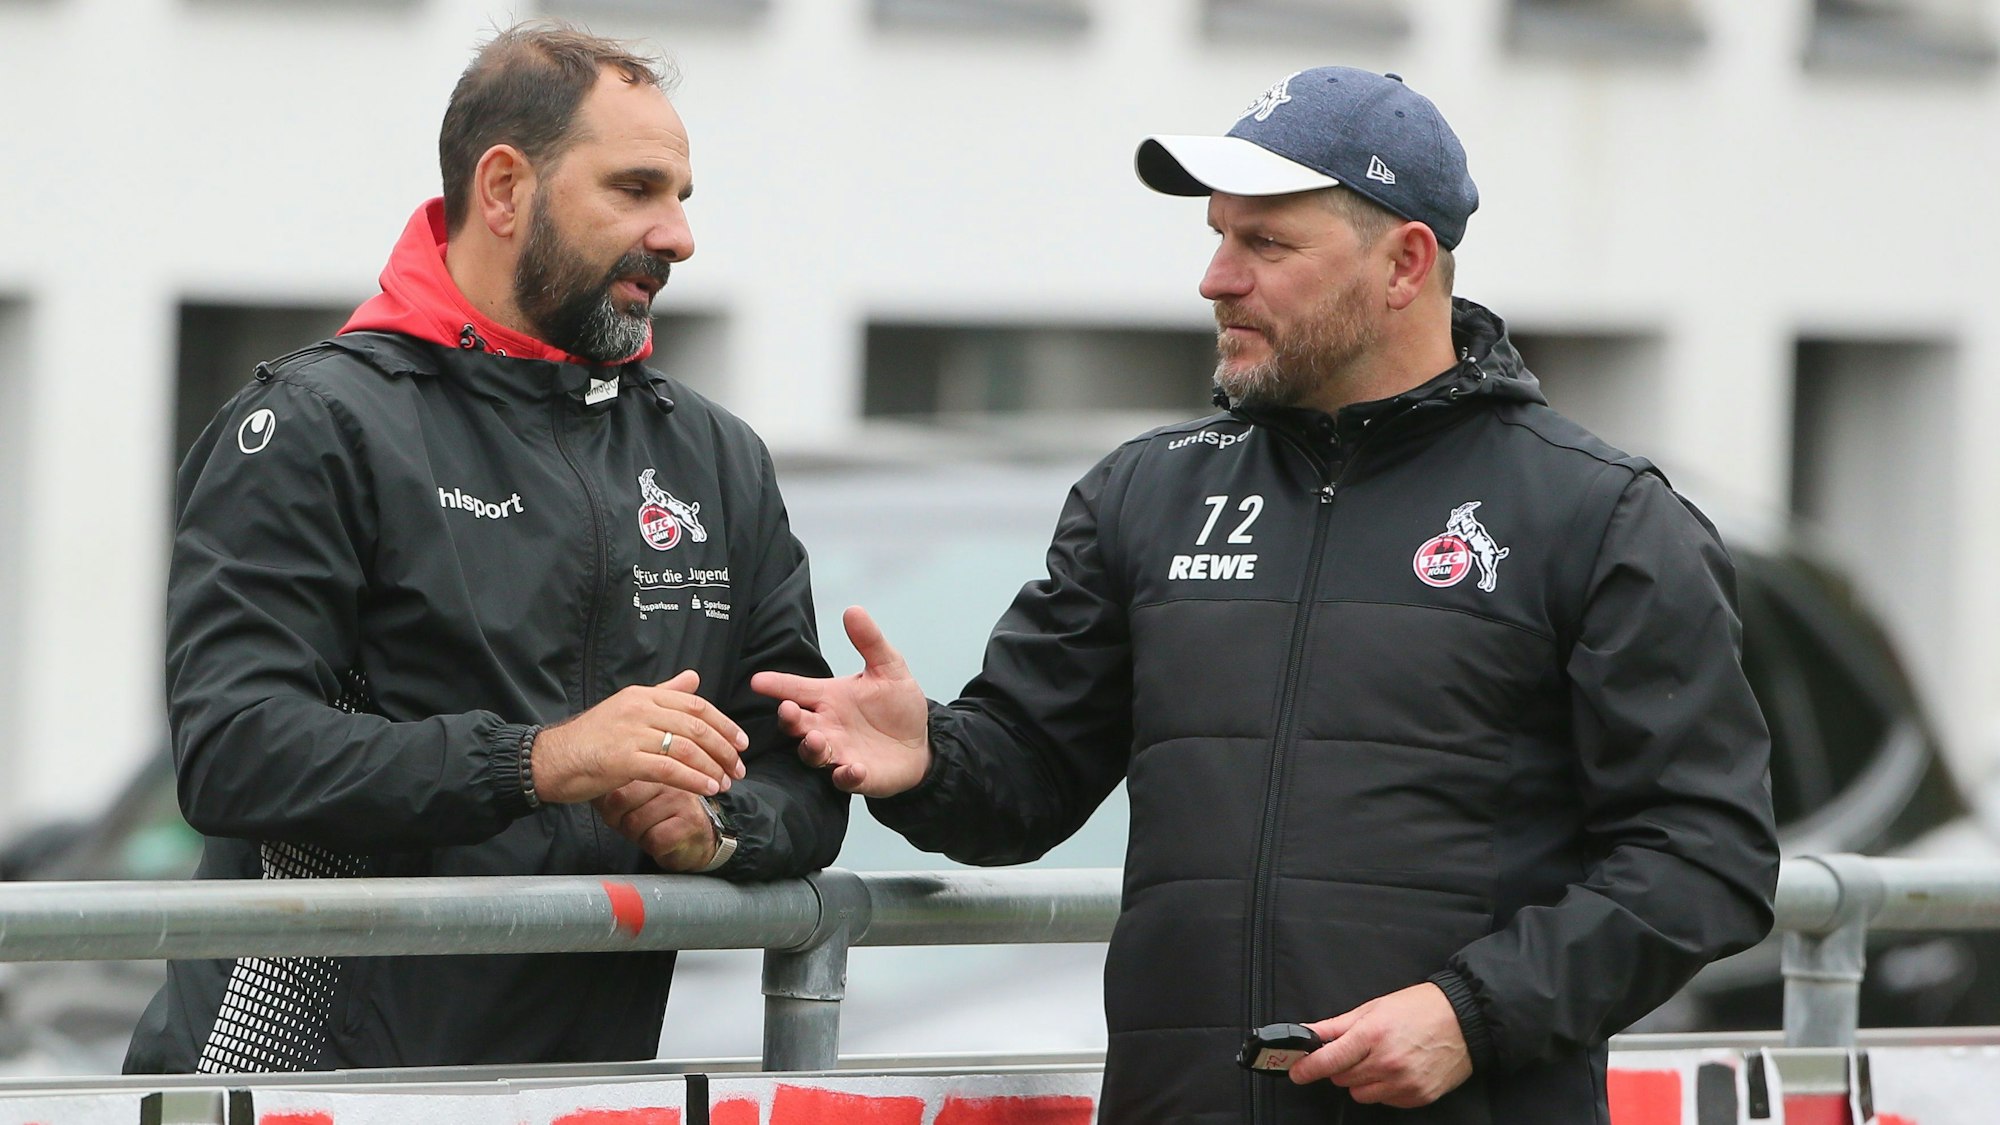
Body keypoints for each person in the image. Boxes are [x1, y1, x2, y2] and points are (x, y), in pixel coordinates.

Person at [753, 68, 1779, 1123]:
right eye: (1215, 236)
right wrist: (928, 757)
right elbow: (1029, 776)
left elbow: (1704, 855)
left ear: (1403, 264)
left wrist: (1472, 1013)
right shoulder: (1145, 492)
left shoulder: (1597, 513)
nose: (1214, 279)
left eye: (1265, 245)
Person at [126, 22, 847, 1074]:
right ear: (503, 189)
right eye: (636, 189)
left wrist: (719, 827)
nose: (679, 235)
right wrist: (539, 761)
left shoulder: (714, 456)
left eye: (684, 196)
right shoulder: (320, 422)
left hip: (582, 1090)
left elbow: (794, 770)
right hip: (306, 1089)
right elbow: (235, 748)